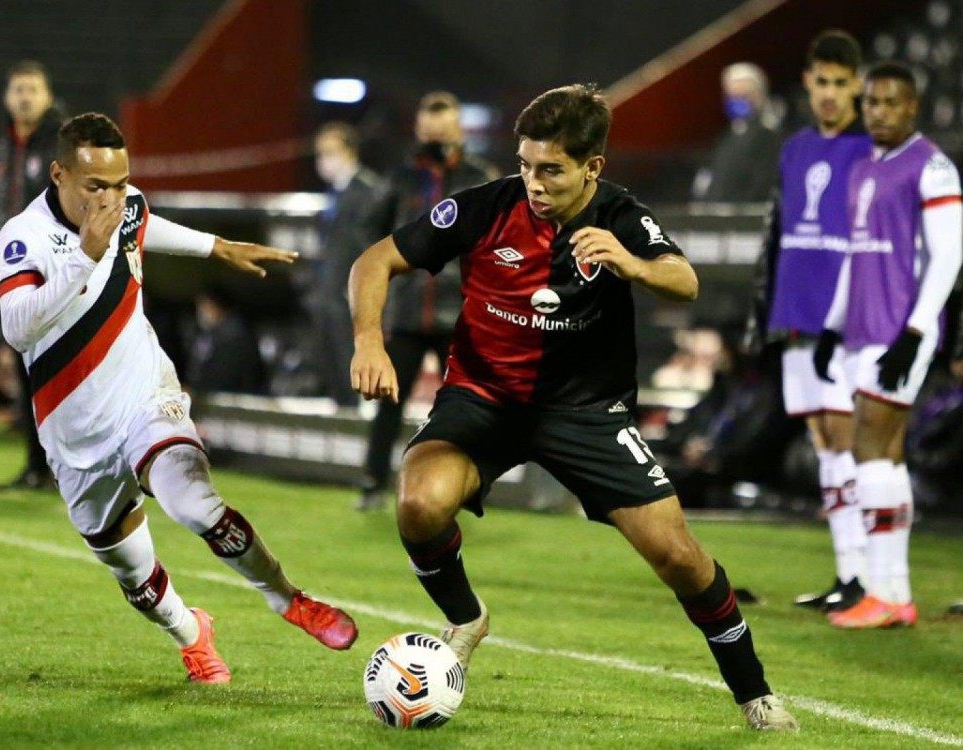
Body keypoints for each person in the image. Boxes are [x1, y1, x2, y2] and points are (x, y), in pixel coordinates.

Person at [349, 85, 797, 731]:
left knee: (677, 556)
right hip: (483, 397)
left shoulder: (620, 216)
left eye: (551, 169)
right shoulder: (486, 205)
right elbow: (376, 260)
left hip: (586, 411)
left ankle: (756, 693)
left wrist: (634, 265)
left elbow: (686, 280)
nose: (533, 181)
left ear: (593, 168)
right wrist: (370, 340)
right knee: (418, 503)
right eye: (526, 164)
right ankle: (467, 619)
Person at [0, 112, 357, 683]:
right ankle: (192, 632)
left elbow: (145, 223)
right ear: (58, 174)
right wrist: (85, 255)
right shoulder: (24, 236)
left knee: (192, 502)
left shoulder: (125, 206)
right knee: (136, 580)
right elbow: (17, 328)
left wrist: (216, 247)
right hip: (74, 430)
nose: (112, 199)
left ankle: (288, 598)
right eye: (96, 187)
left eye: (119, 183)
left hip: (146, 397)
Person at [814, 62, 962, 629]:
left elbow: (949, 256)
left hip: (900, 330)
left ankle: (886, 594)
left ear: (913, 108)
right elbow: (857, 255)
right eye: (872, 101)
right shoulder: (862, 167)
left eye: (891, 102)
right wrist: (832, 324)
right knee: (884, 455)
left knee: (871, 448)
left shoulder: (933, 167)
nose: (879, 111)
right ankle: (892, 593)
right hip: (862, 330)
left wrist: (917, 331)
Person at [749, 32, 872, 613]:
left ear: (858, 84)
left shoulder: (872, 149)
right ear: (807, 83)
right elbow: (780, 234)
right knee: (825, 441)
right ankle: (848, 573)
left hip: (848, 322)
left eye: (840, 83)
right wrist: (765, 313)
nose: (829, 93)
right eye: (820, 81)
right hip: (796, 314)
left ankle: (871, 578)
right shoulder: (795, 147)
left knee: (850, 441)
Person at [357, 91, 499, 510]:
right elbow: (371, 234)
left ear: (459, 129)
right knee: (388, 402)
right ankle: (373, 482)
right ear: (419, 130)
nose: (438, 136)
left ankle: (471, 485)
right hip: (406, 311)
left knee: (468, 405)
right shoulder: (400, 178)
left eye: (445, 127)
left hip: (460, 310)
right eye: (431, 128)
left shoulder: (480, 176)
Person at [0, 60, 63, 490]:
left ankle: (75, 470)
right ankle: (36, 465)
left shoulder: (65, 143)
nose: (24, 96)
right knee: (27, 372)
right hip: (12, 273)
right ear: (7, 98)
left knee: (64, 371)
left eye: (32, 89)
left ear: (47, 95)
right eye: (18, 89)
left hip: (56, 272)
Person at [311, 122, 381, 406]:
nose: (324, 161)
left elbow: (371, 245)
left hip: (349, 294)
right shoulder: (334, 194)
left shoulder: (369, 191)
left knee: (349, 362)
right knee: (332, 363)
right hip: (329, 295)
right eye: (320, 154)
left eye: (330, 152)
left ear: (350, 152)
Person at [692, 63, 782, 203]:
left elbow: (761, 187)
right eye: (731, 96)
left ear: (759, 96)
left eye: (743, 95)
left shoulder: (768, 138)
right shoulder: (726, 138)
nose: (736, 101)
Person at [188, 286, 268, 395]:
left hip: (235, 398)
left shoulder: (235, 335)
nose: (201, 312)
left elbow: (226, 374)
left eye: (205, 306)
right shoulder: (208, 334)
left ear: (217, 306)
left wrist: (198, 389)